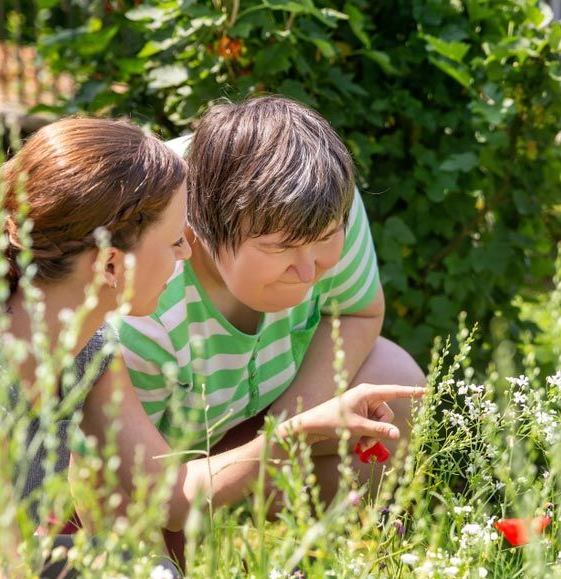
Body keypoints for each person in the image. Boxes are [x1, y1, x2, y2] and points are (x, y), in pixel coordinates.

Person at [0, 117, 423, 579]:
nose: (188, 256)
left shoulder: (84, 348)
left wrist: (299, 431)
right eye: (175, 242)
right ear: (112, 264)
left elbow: (166, 490)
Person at [119, 96, 426, 509]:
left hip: (263, 413)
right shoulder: (143, 290)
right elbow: (134, 481)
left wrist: (280, 438)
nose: (308, 271)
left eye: (324, 239)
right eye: (281, 248)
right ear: (201, 229)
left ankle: (317, 561)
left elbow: (357, 310)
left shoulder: (321, 198)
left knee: (393, 379)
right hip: (156, 462)